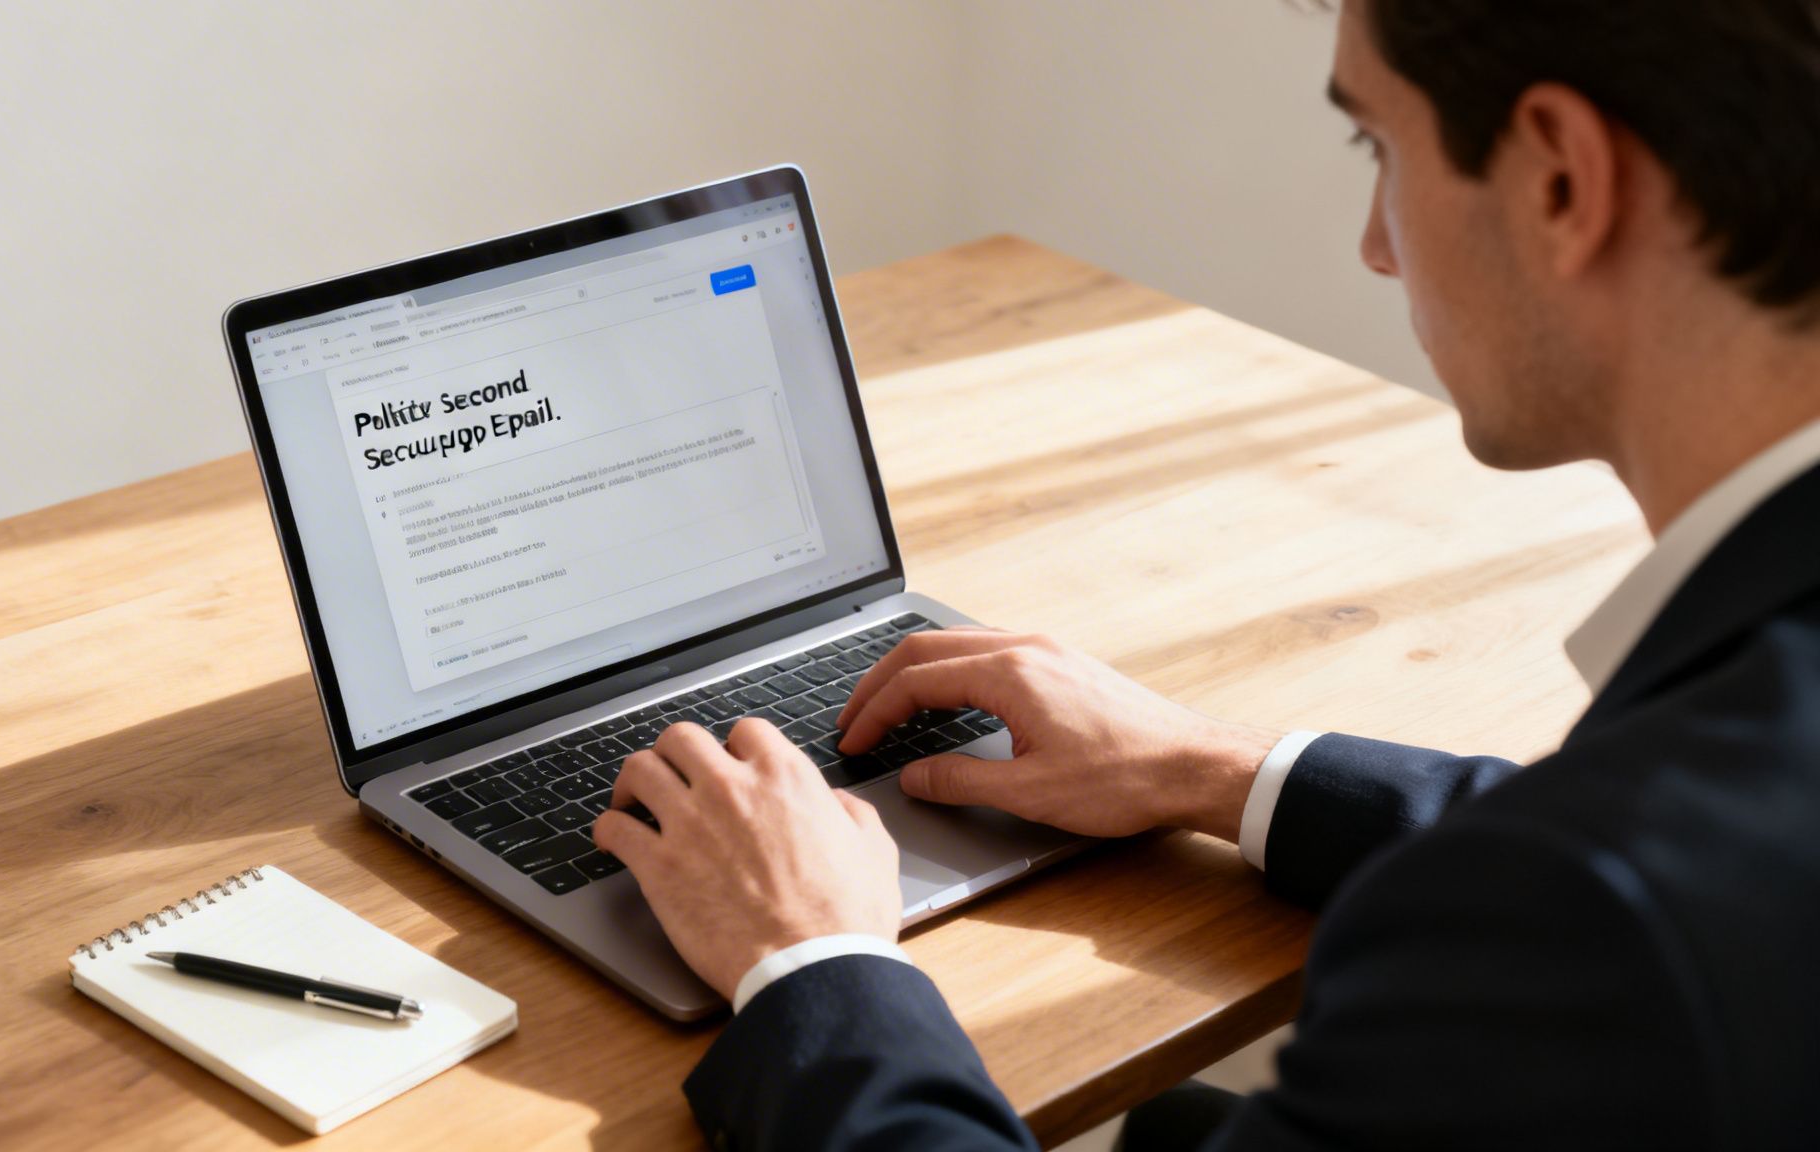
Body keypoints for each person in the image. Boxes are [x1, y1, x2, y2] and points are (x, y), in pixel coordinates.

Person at [591, 0, 1820, 1147]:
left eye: (1373, 146)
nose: (1375, 247)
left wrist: (808, 962)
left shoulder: (1583, 919)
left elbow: (1593, 907)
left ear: (1559, 177)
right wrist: (1211, 768)